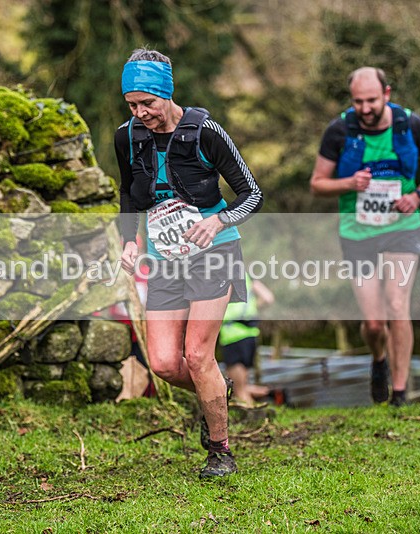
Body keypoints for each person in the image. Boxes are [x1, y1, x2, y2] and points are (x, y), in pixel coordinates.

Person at [116, 49, 263, 477]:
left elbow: (251, 193)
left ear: (167, 93)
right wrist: (129, 241)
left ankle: (221, 451)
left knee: (198, 355)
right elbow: (128, 193)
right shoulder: (127, 136)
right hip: (164, 260)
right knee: (163, 363)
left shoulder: (205, 132)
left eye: (148, 103)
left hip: (214, 254)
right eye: (132, 105)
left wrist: (218, 221)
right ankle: (215, 391)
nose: (140, 112)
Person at [309, 67, 420, 407]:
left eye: (371, 100)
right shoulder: (339, 130)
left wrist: (418, 197)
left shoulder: (410, 125)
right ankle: (378, 360)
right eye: (358, 101)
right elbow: (317, 183)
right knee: (374, 323)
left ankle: (400, 393)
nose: (365, 108)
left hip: (402, 228)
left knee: (398, 306)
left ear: (387, 93)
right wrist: (348, 184)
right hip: (358, 234)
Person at [219, 274, 278, 406]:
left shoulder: (222, 276)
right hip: (249, 336)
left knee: (238, 390)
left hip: (233, 337)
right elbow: (268, 298)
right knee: (242, 385)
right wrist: (252, 309)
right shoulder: (247, 276)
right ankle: (272, 394)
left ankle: (256, 418)